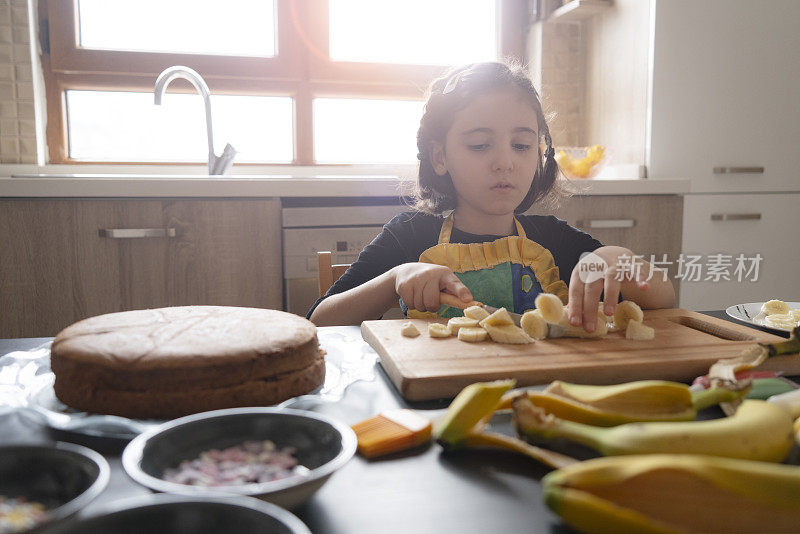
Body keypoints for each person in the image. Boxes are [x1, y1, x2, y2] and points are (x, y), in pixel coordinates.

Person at [309, 62, 675, 329]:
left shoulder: (555, 240)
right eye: (481, 145)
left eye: (521, 145)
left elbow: (665, 300)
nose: (505, 162)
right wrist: (393, 281)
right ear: (440, 157)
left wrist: (619, 259)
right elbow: (319, 322)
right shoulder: (408, 236)